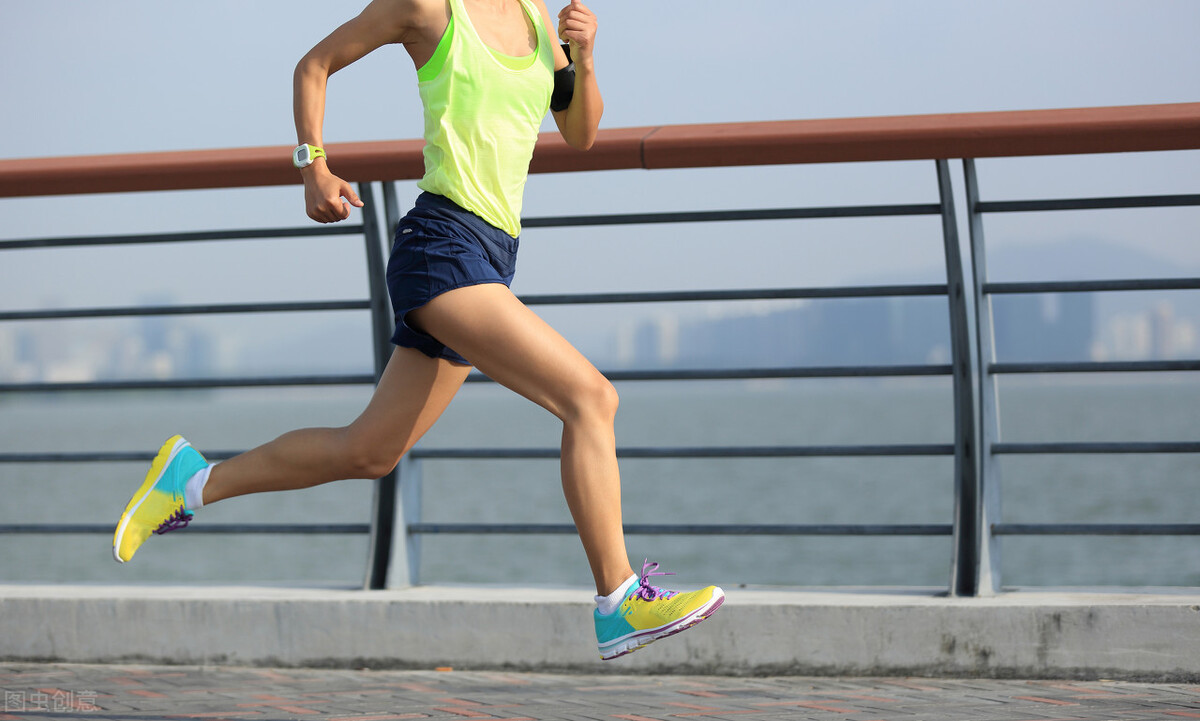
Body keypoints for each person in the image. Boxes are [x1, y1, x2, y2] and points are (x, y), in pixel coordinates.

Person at [111, 0, 723, 661]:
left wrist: (586, 56)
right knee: (591, 398)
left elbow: (579, 132)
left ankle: (192, 481)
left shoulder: (538, 16)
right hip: (443, 245)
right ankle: (617, 598)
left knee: (369, 451)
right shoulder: (428, 7)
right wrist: (311, 165)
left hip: (493, 254)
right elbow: (313, 65)